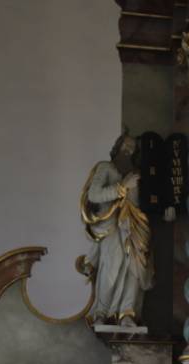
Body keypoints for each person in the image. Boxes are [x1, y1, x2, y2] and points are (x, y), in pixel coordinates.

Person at [77, 131, 154, 327]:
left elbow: (141, 203)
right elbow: (94, 195)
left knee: (133, 270)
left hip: (134, 227)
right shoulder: (105, 168)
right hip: (111, 227)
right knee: (111, 268)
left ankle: (126, 313)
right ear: (117, 147)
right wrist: (121, 187)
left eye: (132, 149)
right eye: (125, 147)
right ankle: (102, 312)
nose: (128, 151)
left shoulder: (136, 175)